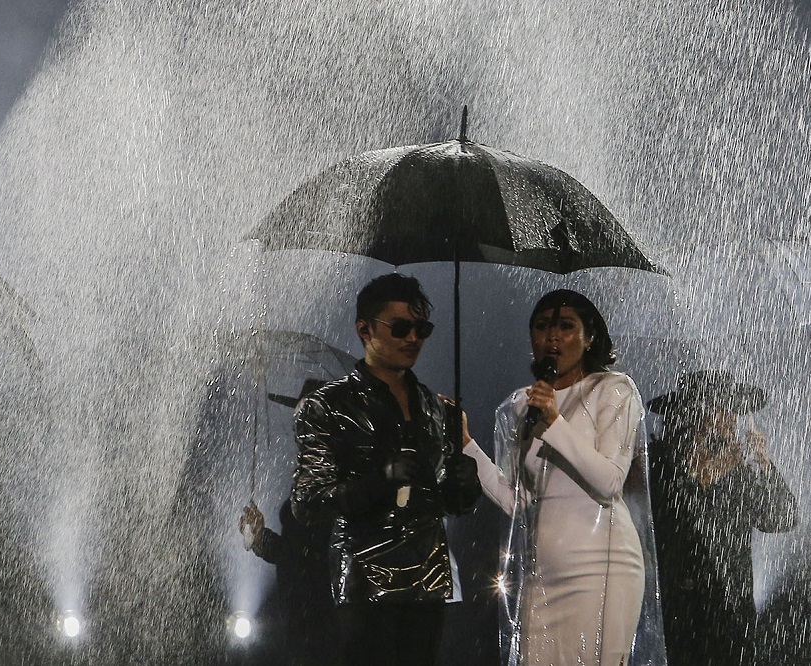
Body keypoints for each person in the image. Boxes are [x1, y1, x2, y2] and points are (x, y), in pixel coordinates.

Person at [240, 273, 482, 666]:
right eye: (400, 327)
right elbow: (308, 502)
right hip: (363, 587)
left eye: (421, 328)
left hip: (429, 585)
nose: (413, 338)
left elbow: (446, 501)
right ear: (364, 330)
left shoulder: (434, 407)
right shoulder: (327, 407)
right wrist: (381, 481)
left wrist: (464, 486)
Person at [461, 289, 646, 666]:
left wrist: (555, 422)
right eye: (543, 326)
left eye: (566, 326)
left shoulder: (613, 389)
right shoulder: (521, 405)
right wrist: (466, 445)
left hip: (602, 568)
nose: (553, 336)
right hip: (543, 571)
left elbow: (610, 481)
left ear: (589, 337)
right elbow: (517, 500)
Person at [646, 370, 798, 666]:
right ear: (692, 414)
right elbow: (663, 521)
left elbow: (783, 517)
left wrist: (765, 465)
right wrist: (701, 478)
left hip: (732, 615)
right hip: (678, 614)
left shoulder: (735, 468)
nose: (732, 419)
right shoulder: (659, 461)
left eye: (733, 410)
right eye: (721, 409)